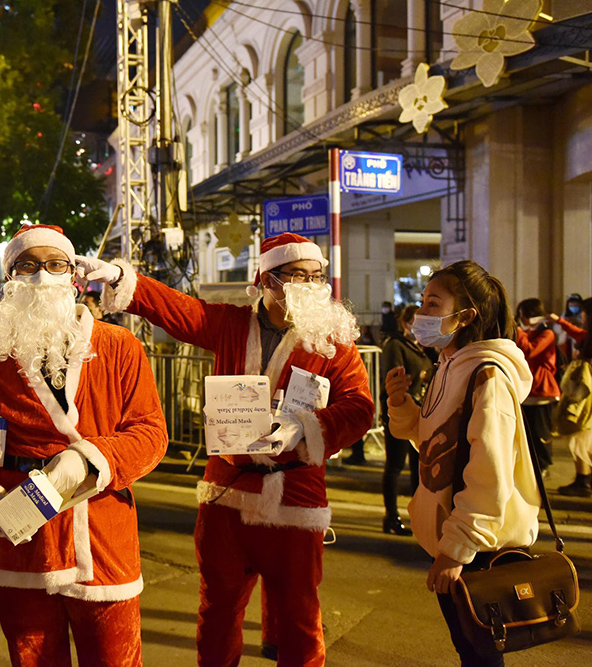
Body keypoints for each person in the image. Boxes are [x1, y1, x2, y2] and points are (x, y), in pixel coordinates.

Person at [79, 232, 375, 666]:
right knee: (218, 609)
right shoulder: (232, 324)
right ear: (268, 280)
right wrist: (125, 280)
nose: (312, 286)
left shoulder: (333, 342)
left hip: (295, 495)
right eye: (299, 275)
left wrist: (303, 427)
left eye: (317, 276)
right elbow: (181, 311)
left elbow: (360, 408)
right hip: (226, 493)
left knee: (300, 616)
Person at [0, 224, 168, 666]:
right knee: (33, 658)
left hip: (102, 534)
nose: (42, 275)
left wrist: (88, 461)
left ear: (74, 276)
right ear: (9, 278)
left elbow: (150, 432)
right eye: (28, 265)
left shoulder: (120, 346)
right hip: (20, 534)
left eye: (56, 264)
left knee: (114, 659)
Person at [385, 260, 541, 667]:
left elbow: (490, 472)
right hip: (451, 537)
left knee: (480, 654)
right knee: (469, 650)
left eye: (433, 304)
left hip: (476, 548)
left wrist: (457, 550)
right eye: (423, 301)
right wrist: (401, 404)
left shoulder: (488, 376)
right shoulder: (449, 365)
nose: (421, 313)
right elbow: (437, 445)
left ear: (466, 316)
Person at [549, 297, 592, 497]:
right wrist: (559, 321)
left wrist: (583, 366)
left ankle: (582, 482)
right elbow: (579, 334)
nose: (581, 315)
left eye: (583, 312)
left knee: (580, 437)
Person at [380, 304, 434, 536]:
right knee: (395, 465)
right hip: (400, 412)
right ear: (404, 324)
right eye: (415, 322)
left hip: (421, 413)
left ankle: (418, 516)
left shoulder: (423, 349)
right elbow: (397, 378)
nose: (419, 327)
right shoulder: (396, 345)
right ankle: (391, 516)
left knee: (418, 468)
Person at [514, 298, 560, 473]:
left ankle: (543, 465)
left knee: (540, 431)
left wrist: (518, 331)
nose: (521, 320)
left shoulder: (547, 333)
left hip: (542, 389)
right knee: (526, 433)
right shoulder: (526, 332)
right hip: (526, 389)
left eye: (523, 315)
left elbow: (529, 350)